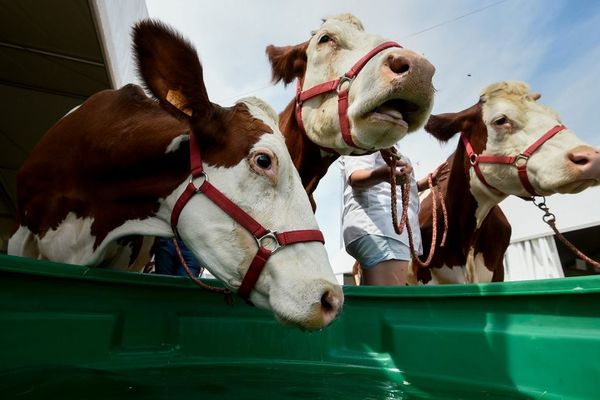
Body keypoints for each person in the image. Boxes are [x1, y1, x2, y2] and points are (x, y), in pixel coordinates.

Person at [341, 149, 447, 286]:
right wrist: (385, 174)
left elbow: (393, 187)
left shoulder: (385, 147)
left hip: (381, 231)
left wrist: (423, 184)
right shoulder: (368, 143)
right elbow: (355, 177)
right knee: (387, 304)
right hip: (383, 231)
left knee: (375, 302)